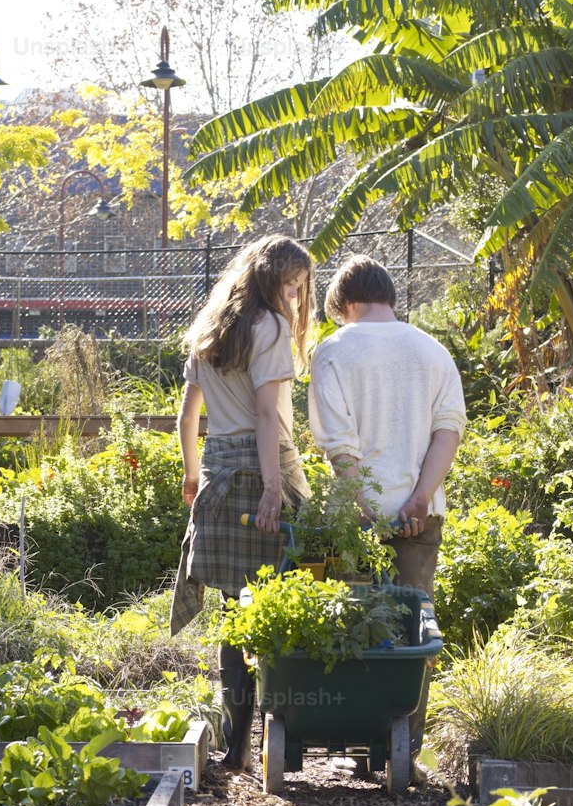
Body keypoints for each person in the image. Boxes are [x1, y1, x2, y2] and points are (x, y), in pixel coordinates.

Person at [307, 254, 466, 754]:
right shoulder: (433, 350)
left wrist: (361, 502)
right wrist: (419, 497)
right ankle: (404, 749)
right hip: (422, 514)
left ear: (345, 303)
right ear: (389, 297)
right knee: (414, 629)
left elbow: (339, 445)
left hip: (355, 520)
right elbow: (448, 432)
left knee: (350, 626)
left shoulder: (333, 351)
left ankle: (351, 739)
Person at [169, 235, 314, 769]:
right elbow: (266, 419)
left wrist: (191, 476)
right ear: (269, 281)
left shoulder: (209, 329)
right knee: (282, 607)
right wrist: (276, 488)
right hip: (262, 472)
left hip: (216, 477)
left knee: (235, 614)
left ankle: (236, 747)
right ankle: (287, 739)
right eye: (291, 285)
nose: (297, 297)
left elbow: (188, 418)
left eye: (301, 287)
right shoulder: (270, 327)